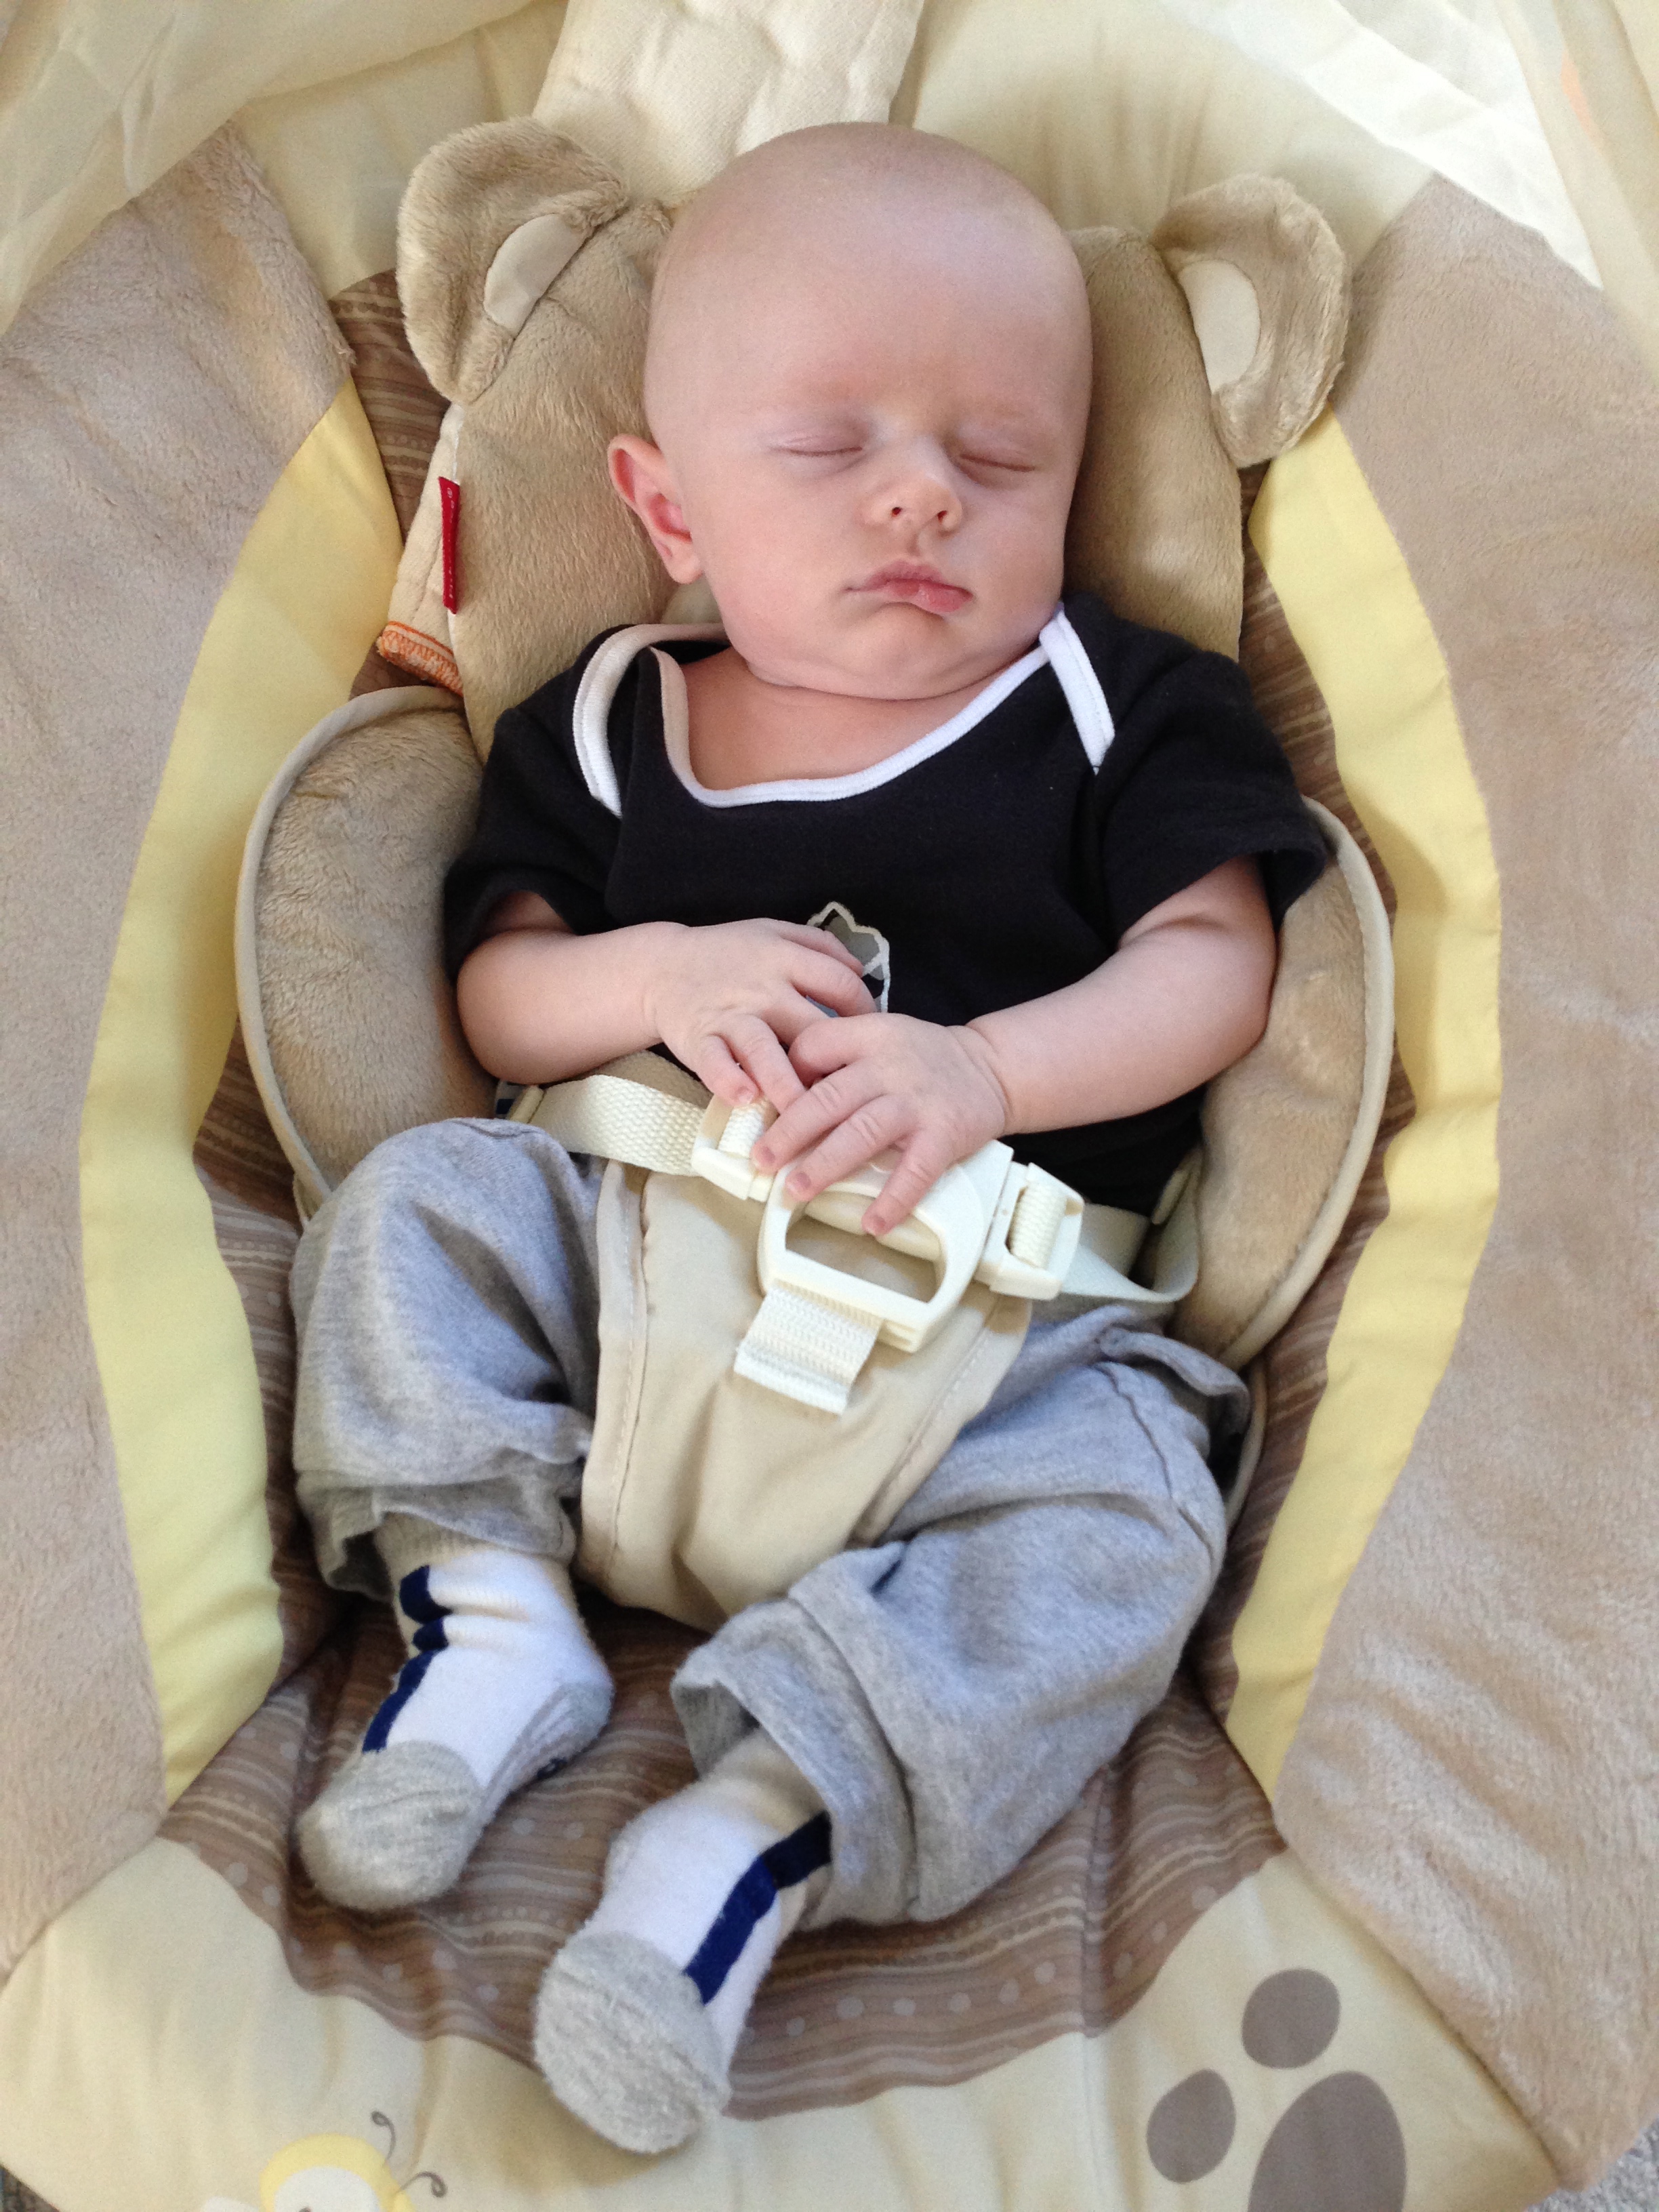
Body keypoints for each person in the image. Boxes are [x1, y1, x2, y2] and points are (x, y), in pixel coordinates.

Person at [289, 121, 1327, 2152]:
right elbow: (501, 997)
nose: (922, 491)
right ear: (669, 505)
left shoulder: (1118, 707)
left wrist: (987, 1074)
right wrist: (654, 972)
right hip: (632, 1285)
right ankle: (482, 1614)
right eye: (828, 446)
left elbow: (1218, 967)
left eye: (1001, 456)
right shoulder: (605, 720)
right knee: (419, 1210)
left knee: (1144, 1505)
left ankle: (751, 1830)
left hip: (989, 1346)